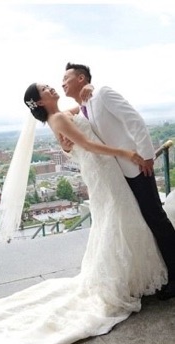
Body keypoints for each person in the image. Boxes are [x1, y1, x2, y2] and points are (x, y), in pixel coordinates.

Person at [0, 83, 168, 344]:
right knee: (118, 219)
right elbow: (88, 144)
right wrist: (127, 152)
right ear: (39, 102)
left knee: (117, 220)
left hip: (101, 172)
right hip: (103, 170)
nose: (51, 88)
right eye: (45, 89)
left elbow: (81, 110)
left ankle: (128, 276)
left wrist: (89, 92)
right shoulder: (59, 118)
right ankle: (123, 280)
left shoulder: (60, 116)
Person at [61, 63, 175, 299]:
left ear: (81, 78)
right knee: (145, 221)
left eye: (66, 78)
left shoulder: (102, 94)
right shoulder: (85, 104)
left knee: (156, 218)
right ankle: (161, 271)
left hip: (137, 166)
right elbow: (64, 120)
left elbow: (134, 120)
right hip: (118, 174)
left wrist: (146, 156)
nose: (62, 83)